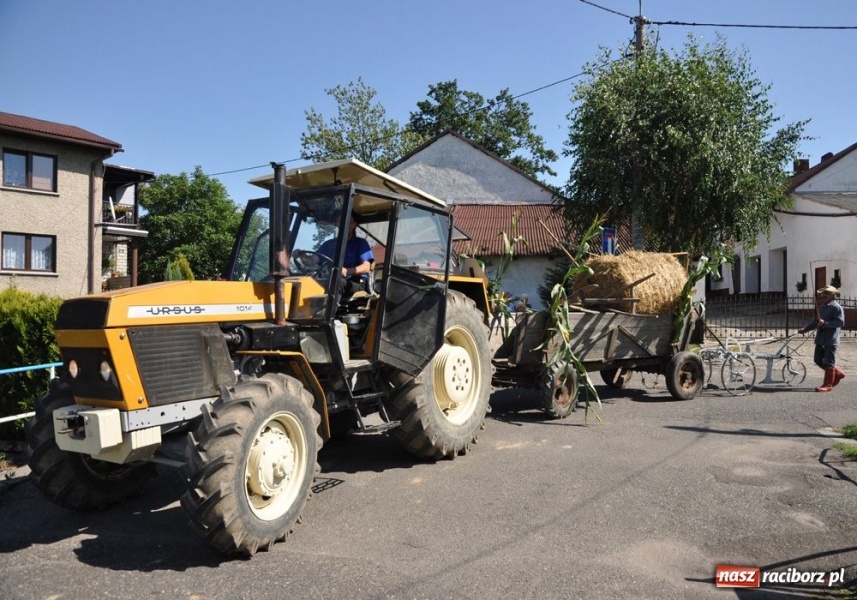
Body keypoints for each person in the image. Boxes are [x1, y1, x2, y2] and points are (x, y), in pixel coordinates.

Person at [294, 213, 374, 297]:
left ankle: (328, 310)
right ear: (337, 224)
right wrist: (303, 256)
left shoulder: (360, 243)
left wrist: (347, 271)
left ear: (354, 224)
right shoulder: (329, 244)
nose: (345, 225)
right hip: (332, 280)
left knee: (336, 283)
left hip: (354, 283)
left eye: (349, 222)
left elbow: (366, 267)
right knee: (310, 283)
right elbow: (312, 261)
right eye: (342, 222)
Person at [798, 285, 846, 392]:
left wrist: (825, 323)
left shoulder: (836, 307)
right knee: (817, 359)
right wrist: (805, 329)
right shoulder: (823, 307)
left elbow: (840, 322)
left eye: (827, 294)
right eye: (824, 294)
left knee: (829, 362)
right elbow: (816, 321)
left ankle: (828, 385)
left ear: (833, 295)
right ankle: (837, 373)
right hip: (821, 339)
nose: (824, 296)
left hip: (830, 339)